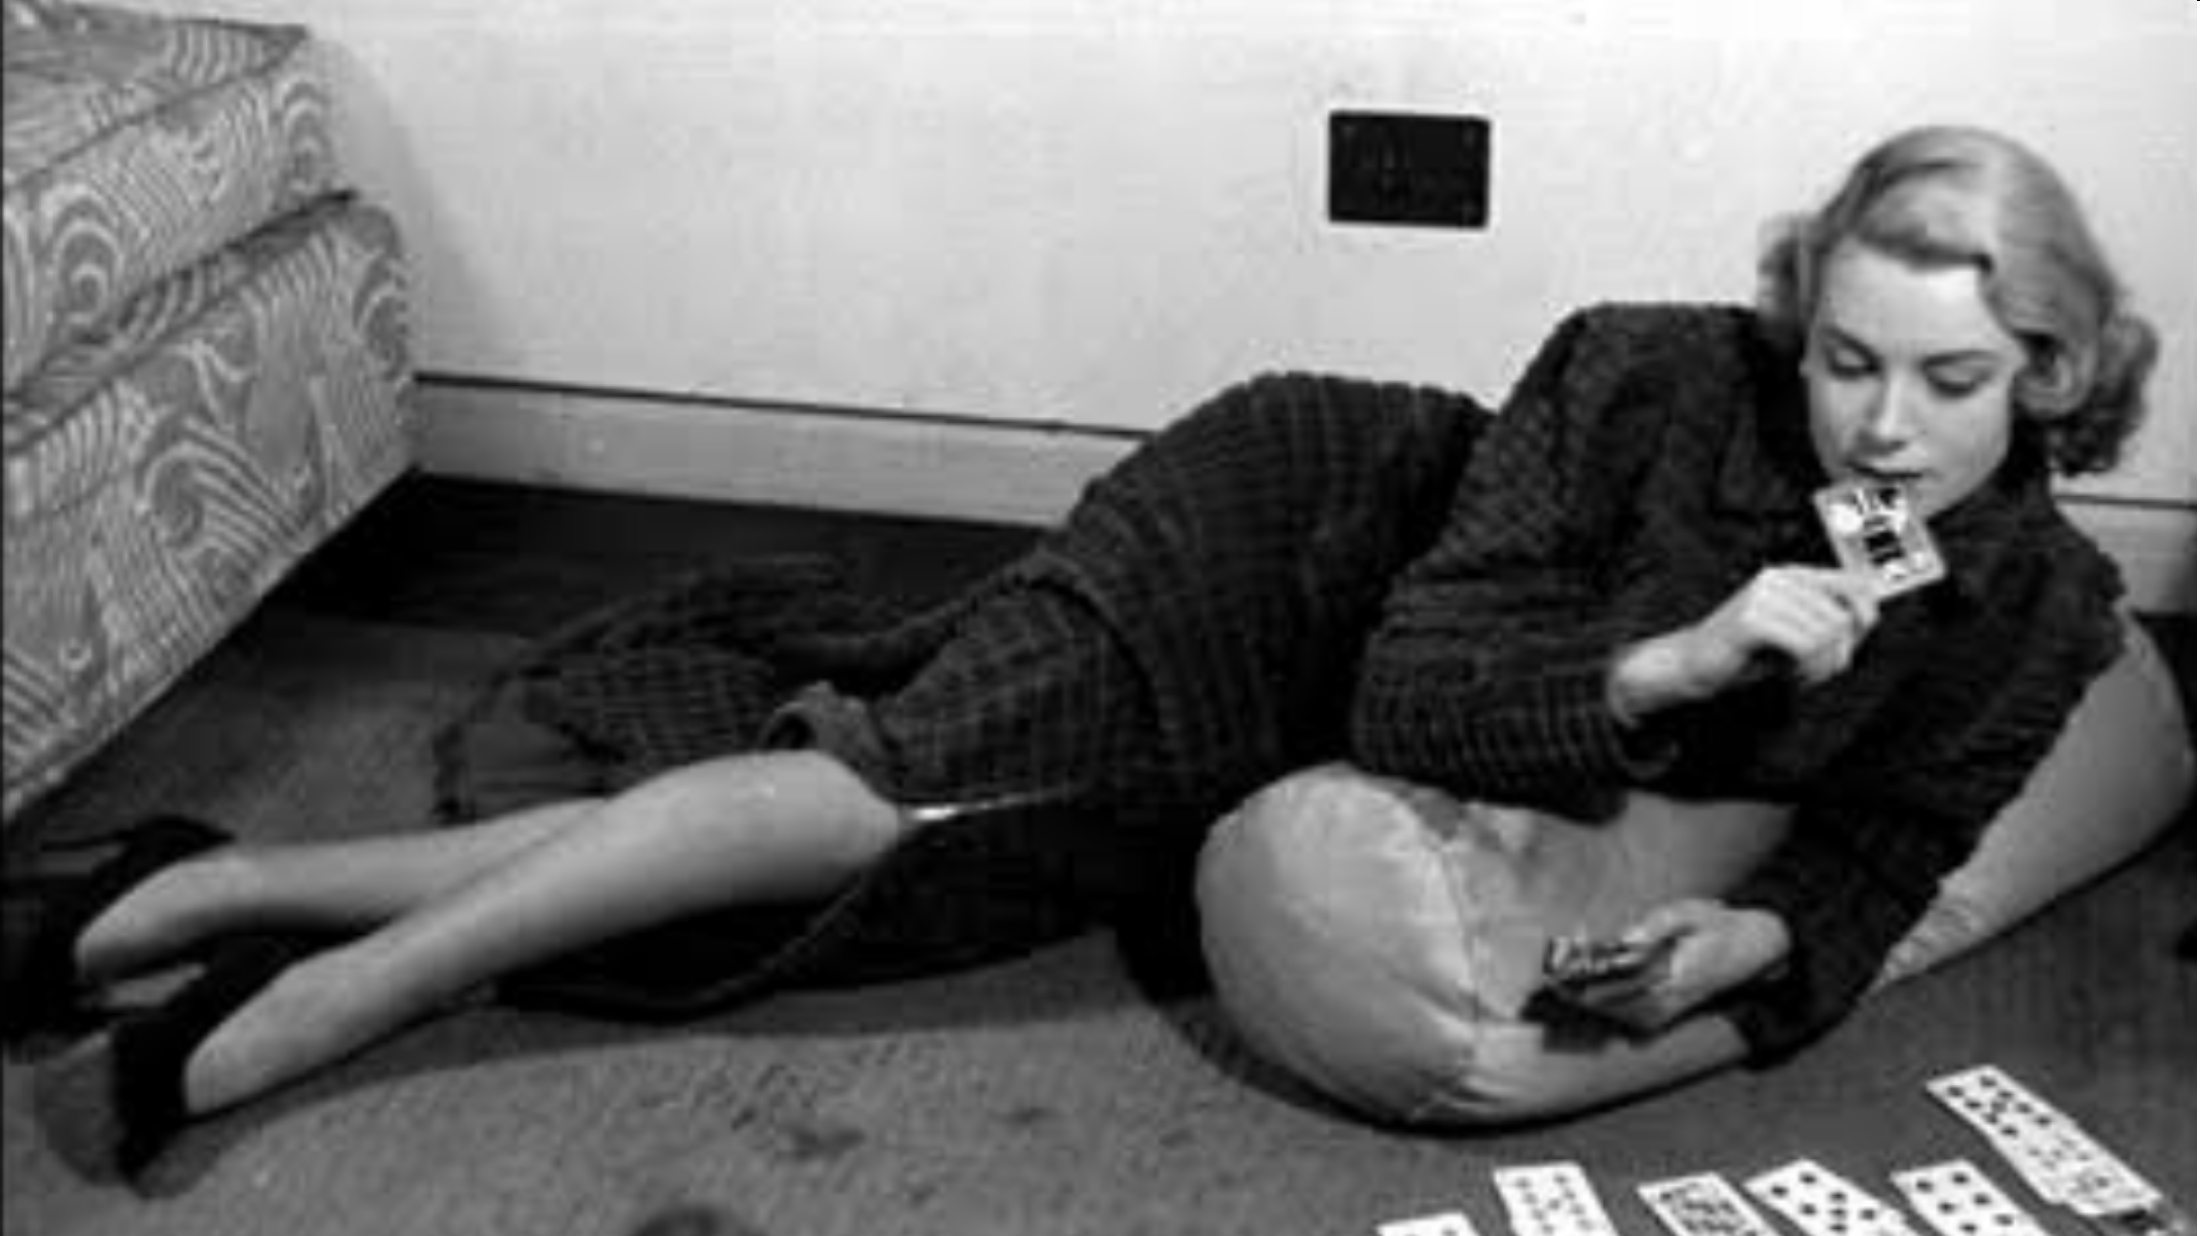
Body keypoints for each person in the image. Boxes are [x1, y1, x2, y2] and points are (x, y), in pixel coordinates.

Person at [11, 124, 2153, 1177]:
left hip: (1337, 737)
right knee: (884, 789)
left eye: (1944, 384)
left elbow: (1888, 851)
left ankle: (199, 887)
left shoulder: (2039, 608)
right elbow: (1418, 680)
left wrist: (1737, 955)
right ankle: (344, 987)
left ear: (2048, 375)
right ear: (1798, 315)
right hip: (1287, 544)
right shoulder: (1641, 375)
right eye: (1845, 360)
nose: (1872, 427)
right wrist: (1668, 668)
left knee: (904, 878)